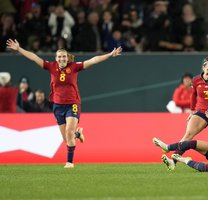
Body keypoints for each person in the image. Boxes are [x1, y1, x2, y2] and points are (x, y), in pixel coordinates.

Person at [6, 38, 122, 168]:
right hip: (58, 105)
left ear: (67, 58)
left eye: (64, 57)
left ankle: (69, 162)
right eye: (60, 57)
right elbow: (34, 57)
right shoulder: (51, 67)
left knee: (68, 132)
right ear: (56, 58)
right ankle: (77, 134)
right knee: (67, 139)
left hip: (73, 103)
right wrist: (19, 49)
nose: (62, 59)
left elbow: (93, 60)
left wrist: (110, 55)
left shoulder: (74, 67)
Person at [161, 54, 208, 170]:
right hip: (203, 111)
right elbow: (193, 95)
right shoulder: (196, 80)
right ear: (203, 68)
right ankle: (173, 161)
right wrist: (192, 111)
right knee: (188, 135)